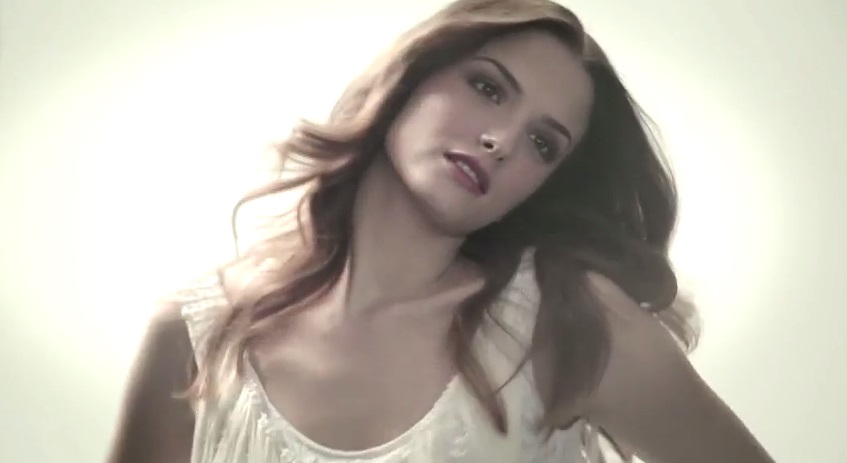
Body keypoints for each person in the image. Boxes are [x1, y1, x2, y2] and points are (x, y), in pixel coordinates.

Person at [105, 0, 775, 462]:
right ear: (411, 77)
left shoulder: (566, 321)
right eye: (488, 88)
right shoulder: (194, 335)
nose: (501, 140)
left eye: (543, 144)